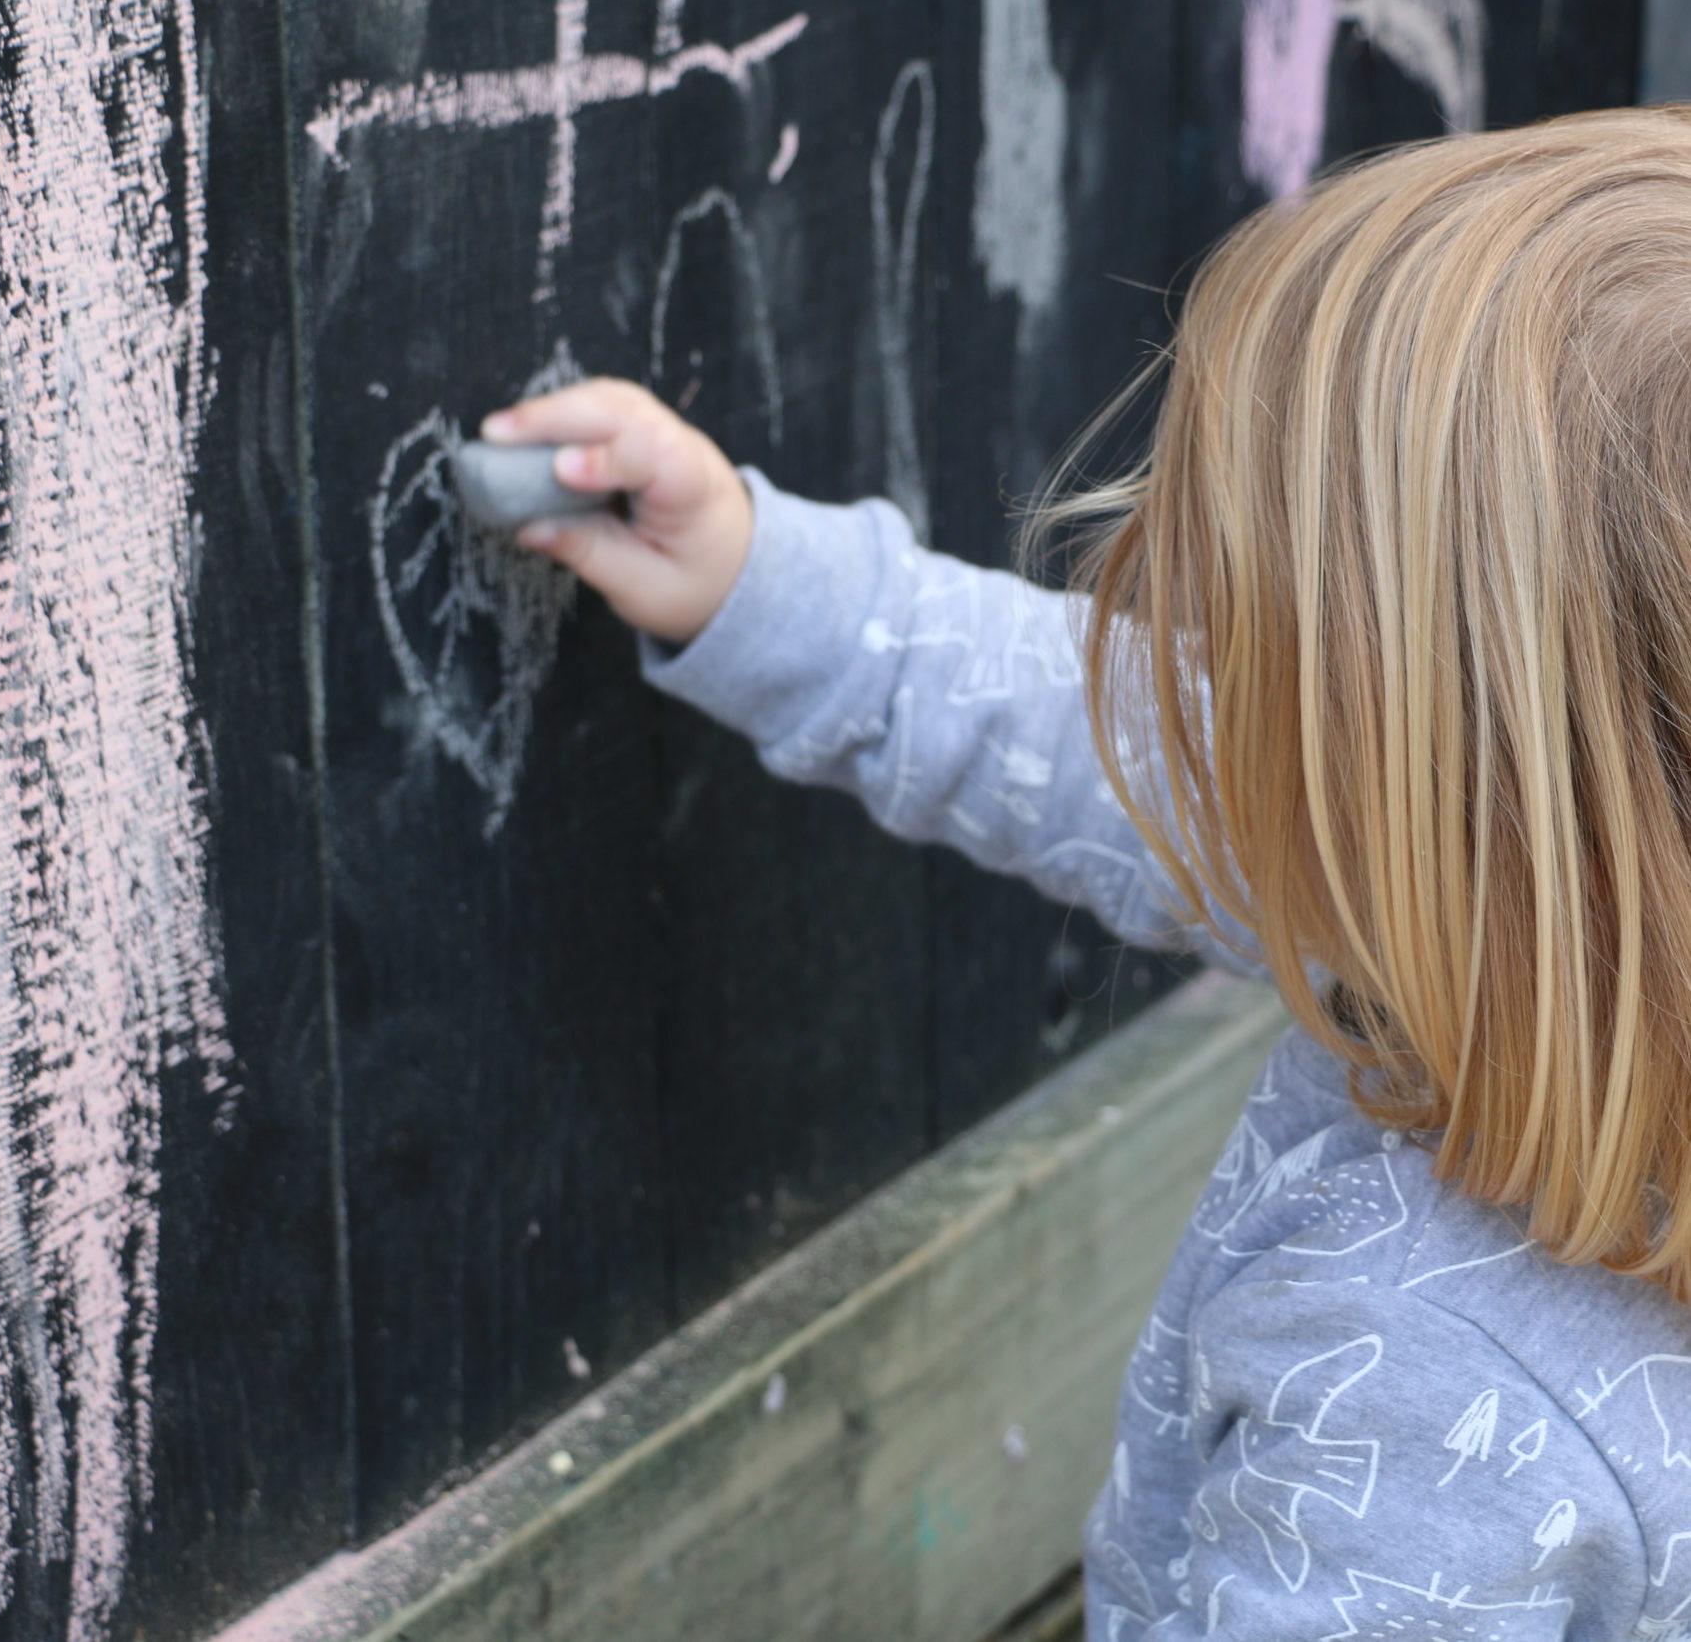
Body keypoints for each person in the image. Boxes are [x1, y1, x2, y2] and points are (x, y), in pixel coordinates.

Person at [484, 106, 1691, 1636]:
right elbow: (1089, 731)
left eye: (1269, 653)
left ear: (1440, 810)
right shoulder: (1528, 913)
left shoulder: (1416, 1388)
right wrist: (757, 581)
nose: (1191, 645)